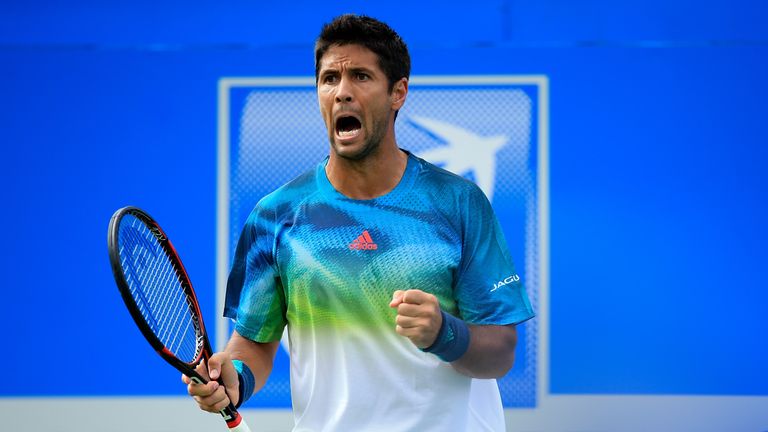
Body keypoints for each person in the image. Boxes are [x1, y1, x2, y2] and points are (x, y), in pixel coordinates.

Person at [184, 14, 535, 431]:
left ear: (398, 92)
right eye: (329, 78)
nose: (342, 92)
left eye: (361, 77)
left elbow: (501, 352)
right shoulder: (275, 216)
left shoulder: (459, 203)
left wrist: (444, 332)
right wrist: (234, 379)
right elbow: (253, 345)